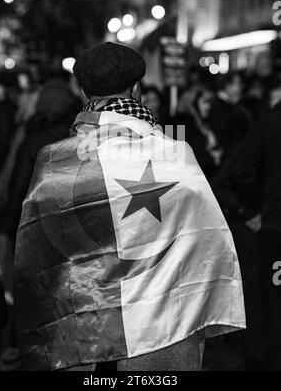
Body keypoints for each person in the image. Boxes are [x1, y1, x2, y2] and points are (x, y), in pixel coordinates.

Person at [14, 42, 245, 371]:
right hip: (160, 333)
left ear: (83, 92)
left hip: (81, 335)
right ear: (137, 89)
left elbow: (39, 252)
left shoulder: (54, 159)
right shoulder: (176, 154)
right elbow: (206, 241)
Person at [229, 78, 281, 370]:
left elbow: (240, 170)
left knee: (274, 296)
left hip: (275, 228)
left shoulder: (269, 124)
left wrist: (258, 202)